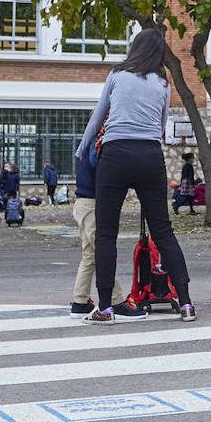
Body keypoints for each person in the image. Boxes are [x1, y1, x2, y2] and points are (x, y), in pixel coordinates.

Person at [78, 28, 196, 323]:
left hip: (115, 154)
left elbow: (99, 114)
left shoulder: (117, 74)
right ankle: (185, 303)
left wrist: (82, 149)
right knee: (163, 231)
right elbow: (161, 125)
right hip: (149, 155)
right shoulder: (163, 83)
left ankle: (105, 306)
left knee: (106, 232)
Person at [70, 122, 125, 318]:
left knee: (90, 254)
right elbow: (99, 165)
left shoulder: (91, 141)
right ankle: (117, 300)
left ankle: (80, 300)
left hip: (84, 202)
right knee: (103, 253)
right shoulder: (100, 142)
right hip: (92, 202)